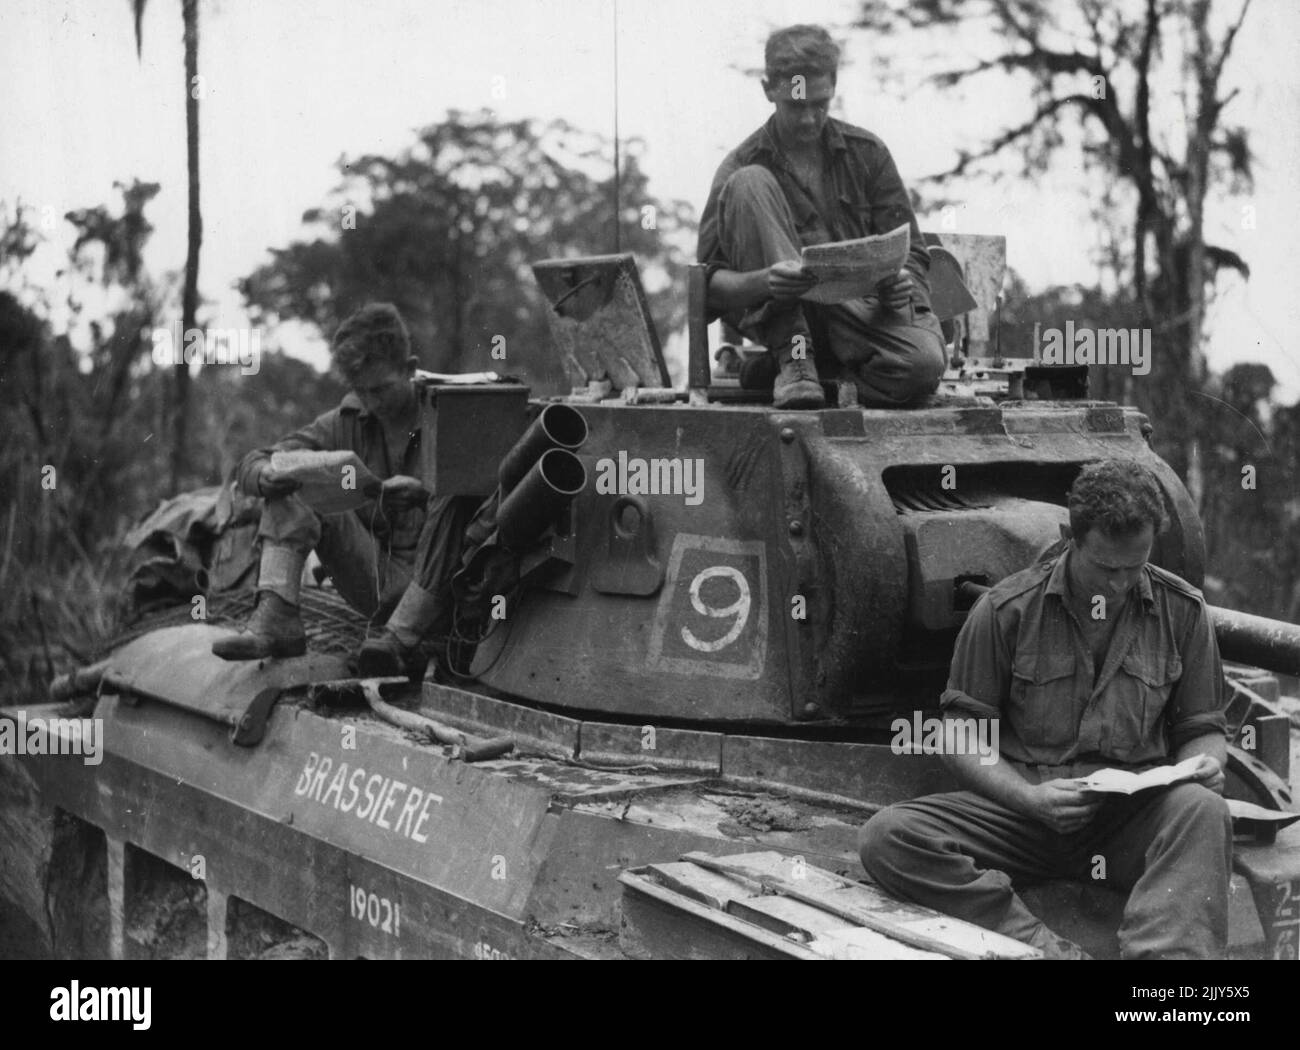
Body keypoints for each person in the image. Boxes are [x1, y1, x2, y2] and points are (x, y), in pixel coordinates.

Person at [859, 460, 1232, 959]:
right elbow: (959, 736)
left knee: (1204, 810)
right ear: (1071, 538)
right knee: (890, 837)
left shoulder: (1182, 611)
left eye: (1134, 566)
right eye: (1105, 567)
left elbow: (1202, 727)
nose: (1120, 585)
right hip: (1024, 817)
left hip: (1128, 821)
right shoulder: (1004, 610)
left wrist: (1207, 762)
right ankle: (1045, 952)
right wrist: (1030, 800)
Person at [212, 303, 483, 676]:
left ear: (410, 368)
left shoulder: (450, 414)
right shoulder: (346, 421)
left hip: (443, 593)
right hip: (375, 578)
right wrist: (264, 475)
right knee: (288, 480)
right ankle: (278, 618)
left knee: (458, 488)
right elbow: (255, 460)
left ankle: (400, 638)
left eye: (382, 389)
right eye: (361, 391)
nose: (372, 402)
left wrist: (425, 496)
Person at [697, 24, 947, 410]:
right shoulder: (738, 167)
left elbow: (912, 250)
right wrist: (766, 281)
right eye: (796, 105)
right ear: (769, 91)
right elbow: (708, 288)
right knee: (750, 184)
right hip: (784, 320)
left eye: (821, 104)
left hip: (858, 317)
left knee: (922, 367)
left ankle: (807, 371)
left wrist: (902, 281)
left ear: (833, 88)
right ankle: (794, 362)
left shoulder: (868, 153)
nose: (809, 120)